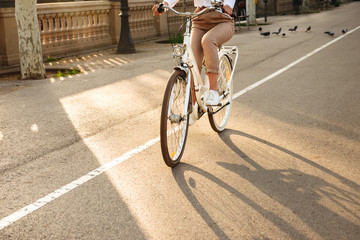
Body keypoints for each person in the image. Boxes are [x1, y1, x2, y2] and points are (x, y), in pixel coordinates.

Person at [152, 0, 235, 107]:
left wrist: (228, 4)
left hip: (222, 18)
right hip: (199, 18)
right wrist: (166, 4)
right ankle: (192, 107)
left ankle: (213, 91)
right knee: (193, 63)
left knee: (208, 40)